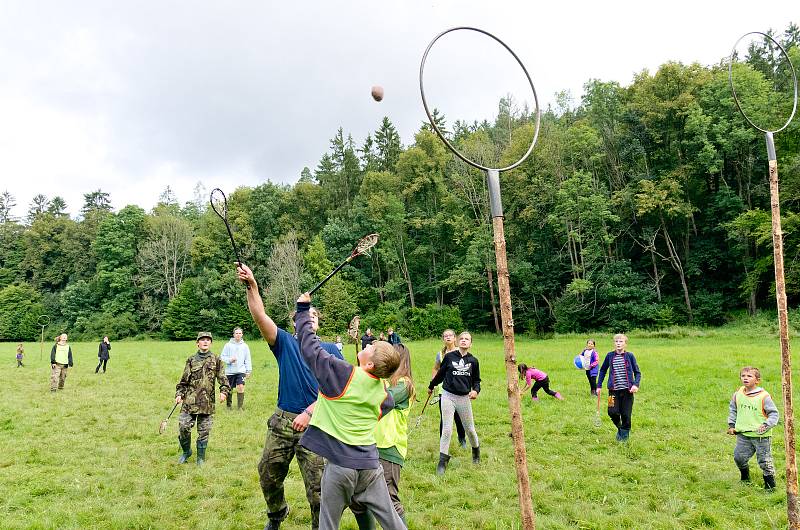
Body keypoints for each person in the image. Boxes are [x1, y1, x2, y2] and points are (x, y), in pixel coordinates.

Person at [237, 263, 345, 530]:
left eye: (313, 318)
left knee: (319, 488)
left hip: (318, 423)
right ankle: (277, 514)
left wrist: (311, 411)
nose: (308, 320)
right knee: (268, 475)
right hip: (283, 422)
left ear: (318, 323)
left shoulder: (330, 349)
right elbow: (259, 315)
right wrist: (253, 286)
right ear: (295, 321)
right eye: (303, 317)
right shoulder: (284, 342)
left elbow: (342, 390)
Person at [294, 291, 406, 530]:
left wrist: (303, 312)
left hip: (340, 466)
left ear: (369, 363)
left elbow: (310, 349)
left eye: (372, 346)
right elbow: (382, 405)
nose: (369, 344)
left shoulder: (343, 375)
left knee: (328, 525)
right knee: (394, 524)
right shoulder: (384, 395)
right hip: (370, 467)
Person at [353, 343, 415, 528]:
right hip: (367, 446)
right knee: (357, 498)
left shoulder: (404, 384)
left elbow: (381, 400)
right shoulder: (381, 381)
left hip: (389, 448)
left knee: (388, 498)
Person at [427, 331, 481, 475]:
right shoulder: (449, 357)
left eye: (467, 339)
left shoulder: (473, 361)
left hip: (464, 398)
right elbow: (441, 374)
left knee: (470, 429)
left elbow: (477, 381)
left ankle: (476, 452)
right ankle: (442, 461)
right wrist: (431, 385)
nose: (464, 340)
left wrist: (476, 391)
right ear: (458, 341)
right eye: (461, 338)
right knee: (447, 429)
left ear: (471, 343)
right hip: (447, 396)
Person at [174, 332, 230, 465]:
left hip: (207, 404)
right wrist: (179, 394)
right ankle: (186, 451)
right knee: (183, 427)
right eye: (202, 340)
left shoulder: (217, 360)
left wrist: (224, 392)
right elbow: (184, 380)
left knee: (204, 432)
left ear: (211, 343)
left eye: (208, 340)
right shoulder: (191, 360)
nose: (205, 342)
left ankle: (200, 458)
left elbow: (223, 379)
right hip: (189, 402)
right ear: (197, 343)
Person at [727, 366, 779, 489]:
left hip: (761, 437)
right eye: (743, 376)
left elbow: (774, 414)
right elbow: (733, 410)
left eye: (749, 376)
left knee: (764, 461)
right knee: (739, 457)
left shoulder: (764, 396)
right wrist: (732, 425)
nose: (745, 378)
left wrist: (766, 425)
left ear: (757, 380)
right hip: (743, 435)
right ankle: (745, 478)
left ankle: (770, 486)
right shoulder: (738, 394)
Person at [596, 333, 641, 442]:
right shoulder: (609, 356)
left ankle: (623, 439)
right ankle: (621, 428)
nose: (618, 343)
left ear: (625, 344)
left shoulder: (630, 356)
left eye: (621, 341)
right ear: (614, 343)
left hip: (627, 392)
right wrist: (599, 385)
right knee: (612, 411)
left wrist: (635, 384)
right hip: (613, 391)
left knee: (626, 415)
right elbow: (602, 370)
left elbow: (638, 372)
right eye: (616, 341)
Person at [431, 329, 467, 448]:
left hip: (459, 389)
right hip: (444, 390)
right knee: (444, 418)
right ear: (443, 339)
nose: (448, 337)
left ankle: (462, 440)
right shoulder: (440, 354)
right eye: (445, 336)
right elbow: (436, 368)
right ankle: (443, 443)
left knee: (459, 417)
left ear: (454, 338)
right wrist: (433, 382)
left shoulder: (460, 351)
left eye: (450, 335)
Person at [220, 327, 252, 410]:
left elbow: (247, 359)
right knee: (229, 389)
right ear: (233, 335)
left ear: (242, 335)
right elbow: (222, 357)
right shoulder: (228, 345)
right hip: (230, 372)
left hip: (241, 371)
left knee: (241, 386)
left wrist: (248, 371)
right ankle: (228, 406)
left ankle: (240, 407)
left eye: (239, 333)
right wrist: (230, 360)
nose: (238, 335)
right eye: (236, 333)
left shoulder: (245, 346)